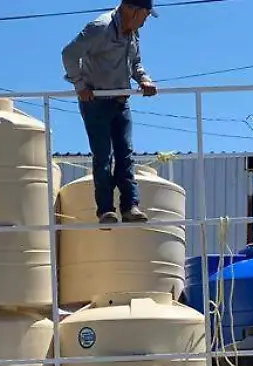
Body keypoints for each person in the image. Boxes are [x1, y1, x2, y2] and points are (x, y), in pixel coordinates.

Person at [62, 0, 159, 224]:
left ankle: (130, 206)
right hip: (96, 101)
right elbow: (69, 53)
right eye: (145, 15)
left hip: (121, 101)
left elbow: (135, 62)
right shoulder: (100, 27)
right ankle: (106, 209)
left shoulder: (132, 32)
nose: (145, 21)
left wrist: (144, 79)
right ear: (133, 11)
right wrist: (80, 85)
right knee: (103, 156)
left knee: (125, 154)